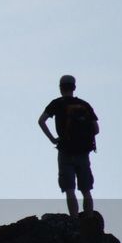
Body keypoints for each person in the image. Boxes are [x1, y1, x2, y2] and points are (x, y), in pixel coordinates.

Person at [38, 74, 99, 216]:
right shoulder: (84, 105)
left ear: (60, 88)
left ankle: (74, 220)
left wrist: (53, 139)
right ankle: (89, 220)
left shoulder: (56, 104)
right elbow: (96, 129)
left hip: (65, 152)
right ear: (74, 88)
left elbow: (41, 121)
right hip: (83, 153)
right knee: (86, 190)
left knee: (69, 189)